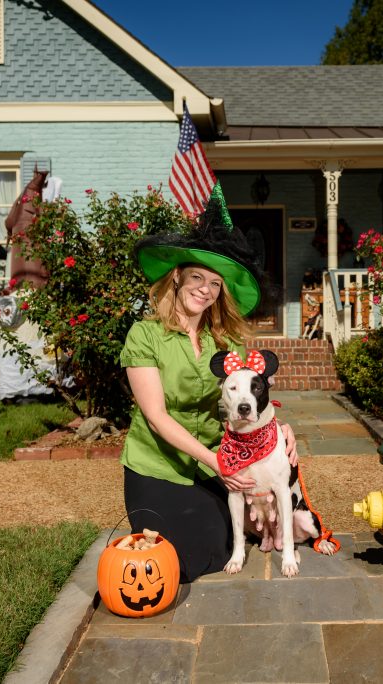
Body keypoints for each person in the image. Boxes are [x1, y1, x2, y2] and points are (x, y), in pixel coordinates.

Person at [119, 203, 297, 583]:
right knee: (177, 563)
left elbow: (253, 397)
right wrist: (217, 463)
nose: (205, 289)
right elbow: (156, 416)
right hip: (158, 464)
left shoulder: (228, 343)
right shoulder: (145, 335)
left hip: (216, 461)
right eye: (197, 277)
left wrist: (280, 432)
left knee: (219, 548)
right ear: (178, 278)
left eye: (215, 283)